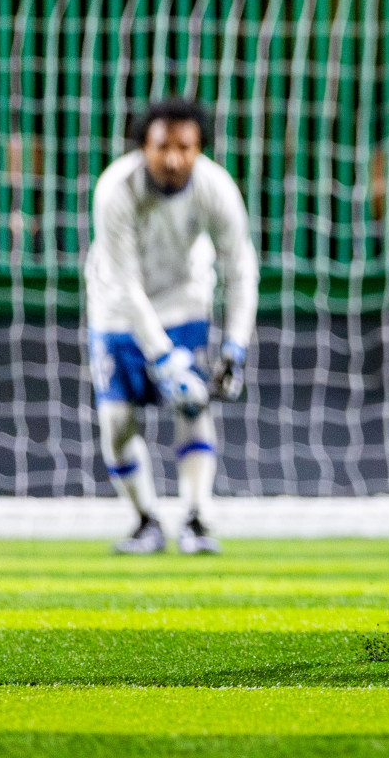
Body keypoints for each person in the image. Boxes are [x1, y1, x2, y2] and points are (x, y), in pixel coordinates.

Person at [85, 98, 257, 555]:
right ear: (143, 147)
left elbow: (241, 269)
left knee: (193, 409)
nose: (173, 158)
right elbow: (123, 283)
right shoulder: (114, 191)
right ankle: (146, 522)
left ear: (200, 149)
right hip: (116, 310)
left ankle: (198, 519)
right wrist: (163, 357)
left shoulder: (216, 188)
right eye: (162, 146)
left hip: (183, 303)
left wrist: (235, 349)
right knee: (118, 423)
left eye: (185, 147)